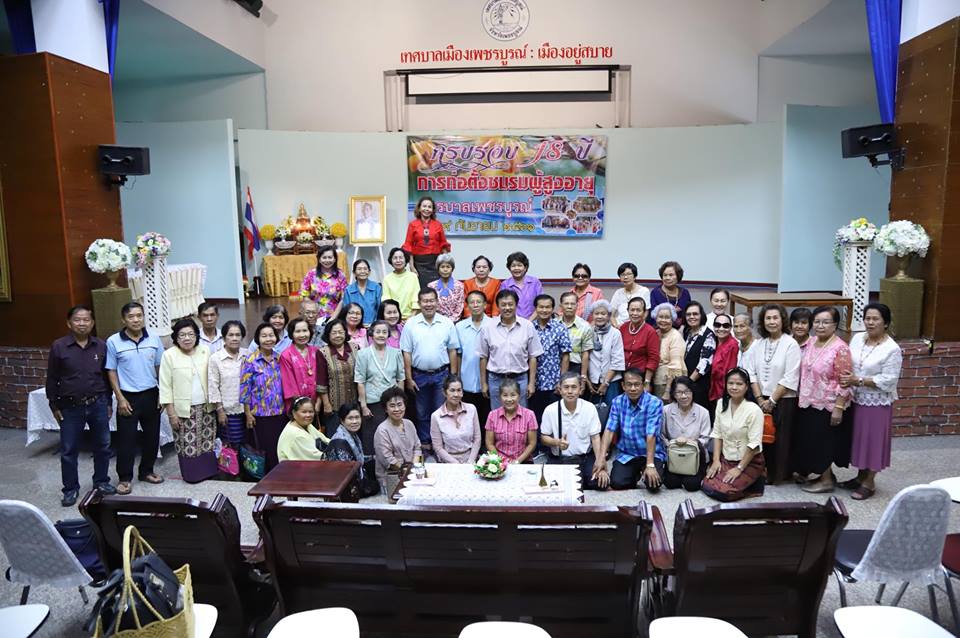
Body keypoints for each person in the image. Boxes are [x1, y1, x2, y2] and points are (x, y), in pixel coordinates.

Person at [46, 305, 115, 506]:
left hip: (98, 403)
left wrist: (108, 402)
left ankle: (101, 482)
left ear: (92, 323)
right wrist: (54, 405)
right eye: (77, 320)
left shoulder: (101, 346)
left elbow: (106, 377)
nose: (82, 323)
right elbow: (52, 378)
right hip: (70, 407)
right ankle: (70, 489)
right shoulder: (59, 346)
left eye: (86, 320)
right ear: (69, 323)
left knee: (103, 446)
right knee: (68, 450)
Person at [839, 303, 902, 500]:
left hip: (877, 402)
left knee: (874, 441)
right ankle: (860, 477)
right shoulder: (858, 338)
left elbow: (889, 380)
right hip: (856, 398)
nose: (870, 322)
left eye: (876, 319)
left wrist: (858, 380)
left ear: (886, 323)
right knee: (861, 439)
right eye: (867, 318)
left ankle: (869, 482)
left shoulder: (892, 349)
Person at [105, 302, 164, 495]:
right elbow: (111, 371)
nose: (136, 320)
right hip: (128, 397)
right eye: (131, 316)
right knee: (126, 440)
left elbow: (160, 367)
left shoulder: (154, 339)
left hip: (151, 394)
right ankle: (124, 478)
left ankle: (147, 471)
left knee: (152, 437)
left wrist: (162, 394)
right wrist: (120, 398)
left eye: (139, 315)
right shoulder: (114, 341)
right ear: (124, 320)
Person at [794, 306, 853, 493]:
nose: (820, 326)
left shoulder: (841, 348)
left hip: (828, 403)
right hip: (808, 400)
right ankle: (824, 476)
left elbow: (845, 381)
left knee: (823, 443)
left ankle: (826, 481)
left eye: (826, 322)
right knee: (812, 440)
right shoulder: (811, 342)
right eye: (817, 322)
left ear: (835, 325)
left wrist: (839, 407)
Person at [746, 304, 801, 485]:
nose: (772, 322)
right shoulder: (759, 344)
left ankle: (779, 474)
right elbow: (751, 372)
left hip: (783, 399)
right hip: (760, 399)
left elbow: (790, 376)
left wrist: (771, 400)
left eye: (775, 318)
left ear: (782, 320)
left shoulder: (790, 344)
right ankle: (762, 471)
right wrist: (759, 398)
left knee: (781, 439)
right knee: (761, 437)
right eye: (768, 318)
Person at [400, 287, 461, 449]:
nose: (428, 304)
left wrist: (453, 377)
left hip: (442, 375)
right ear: (419, 303)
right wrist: (409, 378)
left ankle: (440, 445)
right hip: (419, 375)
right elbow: (406, 353)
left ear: (437, 302)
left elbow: (452, 350)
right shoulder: (411, 324)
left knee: (441, 411)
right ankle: (425, 443)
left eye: (431, 301)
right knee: (422, 412)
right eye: (425, 301)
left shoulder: (446, 323)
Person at [159, 319, 217, 483]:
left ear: (196, 335)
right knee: (187, 444)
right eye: (182, 335)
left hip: (206, 407)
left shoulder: (205, 350)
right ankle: (192, 475)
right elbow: (165, 386)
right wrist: (171, 414)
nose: (187, 338)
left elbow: (213, 377)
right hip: (183, 409)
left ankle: (208, 472)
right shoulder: (169, 355)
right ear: (176, 338)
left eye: (191, 334)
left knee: (207, 441)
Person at [702, 368, 766, 501]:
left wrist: (739, 468)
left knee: (724, 493)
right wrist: (716, 461)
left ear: (746, 386)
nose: (734, 387)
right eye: (730, 383)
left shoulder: (754, 410)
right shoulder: (721, 403)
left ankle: (756, 482)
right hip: (727, 458)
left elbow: (754, 444)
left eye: (739, 384)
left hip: (749, 461)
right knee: (706, 485)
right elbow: (717, 434)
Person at [598, 367, 665, 491]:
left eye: (637, 384)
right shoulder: (617, 402)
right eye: (629, 384)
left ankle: (647, 469)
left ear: (643, 385)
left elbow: (651, 434)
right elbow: (609, 430)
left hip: (650, 453)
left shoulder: (654, 403)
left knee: (653, 484)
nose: (633, 388)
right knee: (617, 483)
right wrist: (601, 458)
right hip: (628, 453)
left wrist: (650, 465)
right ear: (623, 386)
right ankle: (635, 474)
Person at [478, 289, 544, 409]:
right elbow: (483, 357)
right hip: (495, 380)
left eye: (510, 304)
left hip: (520, 379)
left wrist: (531, 383)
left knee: (520, 415)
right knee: (497, 416)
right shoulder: (488, 327)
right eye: (503, 305)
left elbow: (533, 356)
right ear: (498, 306)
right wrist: (483, 383)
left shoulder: (527, 326)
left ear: (516, 305)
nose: (507, 308)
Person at [540, 372, 607, 490]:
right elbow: (543, 437)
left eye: (574, 387)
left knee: (600, 483)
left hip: (584, 457)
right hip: (560, 458)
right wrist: (556, 442)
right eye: (566, 387)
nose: (570, 391)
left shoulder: (589, 408)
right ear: (560, 390)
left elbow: (595, 437)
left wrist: (600, 461)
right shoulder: (550, 410)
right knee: (553, 486)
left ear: (580, 390)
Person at [239, 323, 286, 471]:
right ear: (258, 339)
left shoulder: (280, 358)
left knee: (279, 448)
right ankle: (266, 477)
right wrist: (248, 414)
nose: (268, 339)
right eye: (264, 336)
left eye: (271, 335)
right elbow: (245, 389)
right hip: (259, 414)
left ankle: (279, 475)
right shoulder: (250, 360)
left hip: (280, 412)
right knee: (264, 450)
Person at [354, 320, 405, 453]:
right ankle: (372, 464)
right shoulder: (363, 354)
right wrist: (363, 406)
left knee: (394, 435)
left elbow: (401, 378)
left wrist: (400, 402)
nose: (381, 335)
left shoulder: (396, 353)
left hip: (392, 401)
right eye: (378, 332)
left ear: (388, 334)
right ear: (371, 334)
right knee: (373, 437)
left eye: (384, 332)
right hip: (373, 402)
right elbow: (360, 381)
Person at [661, 376, 711, 491]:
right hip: (674, 456)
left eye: (687, 392)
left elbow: (706, 438)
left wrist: (690, 442)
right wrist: (672, 443)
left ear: (692, 392)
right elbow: (662, 435)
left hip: (695, 456)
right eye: (679, 392)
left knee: (692, 485)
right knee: (670, 482)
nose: (684, 396)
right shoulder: (666, 410)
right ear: (674, 394)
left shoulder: (703, 412)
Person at [530, 294, 572, 427]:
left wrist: (562, 381)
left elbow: (566, 356)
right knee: (534, 419)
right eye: (541, 307)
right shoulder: (529, 328)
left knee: (553, 419)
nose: (544, 310)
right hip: (533, 383)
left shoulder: (560, 328)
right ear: (536, 308)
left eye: (547, 307)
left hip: (553, 383)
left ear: (553, 309)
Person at [456, 291, 494, 429]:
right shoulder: (460, 327)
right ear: (467, 306)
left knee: (487, 417)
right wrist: (458, 377)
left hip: (489, 380)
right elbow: (458, 354)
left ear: (485, 305)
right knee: (468, 418)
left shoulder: (493, 325)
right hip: (467, 379)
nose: (475, 305)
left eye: (479, 302)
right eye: (472, 302)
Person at [325, 402, 379, 498]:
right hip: (342, 485)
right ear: (342, 421)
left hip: (355, 475)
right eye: (350, 418)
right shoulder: (339, 441)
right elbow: (346, 471)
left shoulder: (352, 435)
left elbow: (359, 458)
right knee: (375, 486)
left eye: (357, 417)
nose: (355, 421)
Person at [316, 318, 360, 433]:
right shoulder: (323, 352)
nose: (338, 335)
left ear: (345, 333)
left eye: (340, 332)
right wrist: (326, 404)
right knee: (336, 435)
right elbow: (321, 382)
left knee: (355, 434)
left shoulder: (355, 348)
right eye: (334, 332)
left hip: (354, 403)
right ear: (328, 335)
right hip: (334, 406)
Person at [208, 320, 247, 448]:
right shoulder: (216, 358)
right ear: (224, 337)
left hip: (248, 410)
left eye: (238, 335)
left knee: (249, 446)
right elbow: (213, 386)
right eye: (231, 335)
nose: (234, 338)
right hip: (228, 411)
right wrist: (220, 411)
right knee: (232, 447)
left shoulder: (247, 355)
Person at [374, 386, 422, 488]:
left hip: (412, 472)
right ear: (386, 409)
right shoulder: (382, 430)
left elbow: (417, 448)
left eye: (400, 405)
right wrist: (406, 471)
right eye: (392, 406)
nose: (397, 409)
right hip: (392, 477)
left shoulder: (409, 424)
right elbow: (387, 459)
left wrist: (414, 468)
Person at [430, 374, 482, 463]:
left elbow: (477, 439)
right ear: (444, 392)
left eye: (459, 390)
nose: (456, 394)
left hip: (470, 459)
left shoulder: (471, 409)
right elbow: (437, 447)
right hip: (448, 462)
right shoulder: (436, 416)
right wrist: (456, 464)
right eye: (452, 390)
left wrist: (470, 461)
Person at [484, 378, 538, 464]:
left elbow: (532, 443)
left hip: (523, 461)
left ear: (519, 396)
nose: (509, 399)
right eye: (505, 395)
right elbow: (489, 443)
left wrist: (517, 461)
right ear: (500, 397)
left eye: (513, 395)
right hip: (498, 461)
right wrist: (500, 461)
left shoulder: (529, 415)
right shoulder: (492, 415)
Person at [402, 195, 451, 288]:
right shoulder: (412, 225)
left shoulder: (438, 224)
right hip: (419, 264)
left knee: (436, 290)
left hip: (435, 263)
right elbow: (408, 246)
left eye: (429, 207)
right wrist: (412, 267)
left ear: (432, 210)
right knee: (421, 290)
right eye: (424, 206)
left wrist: (445, 264)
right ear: (419, 208)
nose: (427, 209)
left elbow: (443, 245)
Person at [585, 299, 625, 405]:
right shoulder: (588, 331)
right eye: (596, 313)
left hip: (611, 381)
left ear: (608, 316)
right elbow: (585, 357)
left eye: (603, 314)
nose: (599, 316)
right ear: (592, 315)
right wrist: (587, 381)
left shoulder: (615, 333)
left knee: (611, 409)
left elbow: (617, 360)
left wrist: (605, 383)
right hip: (592, 381)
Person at [279, 317, 319, 413]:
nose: (302, 335)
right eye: (297, 331)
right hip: (298, 406)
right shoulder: (286, 355)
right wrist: (303, 407)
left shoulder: (316, 351)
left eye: (305, 330)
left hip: (317, 403)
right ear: (291, 334)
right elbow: (289, 384)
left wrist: (319, 402)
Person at [298, 245, 348, 321]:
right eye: (324, 257)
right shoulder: (311, 274)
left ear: (335, 259)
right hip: (314, 316)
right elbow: (304, 294)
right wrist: (312, 311)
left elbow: (343, 299)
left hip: (334, 315)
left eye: (330, 257)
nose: (327, 260)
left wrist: (333, 317)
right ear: (319, 259)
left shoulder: (340, 275)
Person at [619, 297, 659, 391]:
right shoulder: (623, 328)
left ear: (644, 313)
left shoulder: (650, 331)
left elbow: (653, 358)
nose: (635, 313)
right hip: (623, 376)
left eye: (638, 310)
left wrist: (647, 382)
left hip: (641, 378)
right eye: (632, 310)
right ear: (628, 311)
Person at [682, 301, 715, 411]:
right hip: (686, 383)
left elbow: (704, 364)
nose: (692, 317)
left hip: (698, 385)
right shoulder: (687, 331)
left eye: (695, 314)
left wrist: (688, 384)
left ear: (701, 316)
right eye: (688, 314)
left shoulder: (709, 335)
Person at [652, 303, 686, 401]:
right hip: (654, 380)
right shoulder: (655, 333)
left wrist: (667, 390)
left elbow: (676, 366)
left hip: (666, 383)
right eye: (660, 317)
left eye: (667, 317)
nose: (663, 320)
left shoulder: (675, 336)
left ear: (672, 319)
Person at [277, 396, 329, 461]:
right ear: (294, 413)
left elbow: (325, 440)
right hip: (296, 467)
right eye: (304, 412)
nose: (308, 415)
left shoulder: (307, 425)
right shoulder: (295, 435)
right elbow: (316, 457)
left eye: (311, 412)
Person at [559, 291, 594, 380]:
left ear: (577, 305)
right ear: (561, 306)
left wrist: (583, 376)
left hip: (575, 366)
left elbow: (585, 353)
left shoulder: (585, 326)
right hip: (556, 365)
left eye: (572, 304)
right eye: (566, 304)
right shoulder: (554, 324)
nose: (569, 306)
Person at [708, 313, 739, 415]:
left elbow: (729, 373)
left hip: (723, 392)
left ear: (730, 328)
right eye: (717, 325)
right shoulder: (713, 341)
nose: (721, 328)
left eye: (725, 326)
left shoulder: (732, 345)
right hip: (713, 390)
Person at [498, 251, 543, 319]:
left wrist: (529, 322)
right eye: (513, 266)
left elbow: (541, 304)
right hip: (512, 321)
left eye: (519, 265)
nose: (516, 268)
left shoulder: (535, 282)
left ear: (525, 267)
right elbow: (503, 306)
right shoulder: (505, 285)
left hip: (533, 321)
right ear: (509, 268)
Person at [648, 261, 691, 329]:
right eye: (665, 275)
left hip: (682, 329)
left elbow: (688, 314)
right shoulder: (655, 293)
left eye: (671, 275)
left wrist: (682, 328)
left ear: (678, 276)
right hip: (660, 329)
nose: (667, 278)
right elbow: (653, 317)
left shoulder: (685, 293)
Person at [382, 247, 421, 320]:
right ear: (391, 260)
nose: (398, 260)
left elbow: (416, 298)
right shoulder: (387, 279)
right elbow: (386, 300)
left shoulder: (413, 277)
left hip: (412, 317)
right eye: (395, 258)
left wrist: (411, 317)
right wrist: (395, 317)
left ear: (405, 259)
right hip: (393, 318)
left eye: (401, 257)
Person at [342, 259, 382, 327]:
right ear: (354, 272)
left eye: (365, 269)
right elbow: (346, 312)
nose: (362, 271)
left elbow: (379, 309)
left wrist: (374, 325)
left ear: (369, 272)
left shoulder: (377, 287)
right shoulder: (348, 290)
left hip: (374, 327)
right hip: (354, 326)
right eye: (359, 269)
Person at [609, 262, 650, 328]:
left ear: (635, 276)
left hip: (637, 326)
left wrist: (636, 327)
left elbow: (646, 313)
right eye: (622, 275)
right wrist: (616, 326)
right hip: (620, 327)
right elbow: (611, 314)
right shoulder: (618, 293)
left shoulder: (644, 291)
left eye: (629, 274)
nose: (625, 277)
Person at [428, 253, 465, 321]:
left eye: (448, 267)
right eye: (442, 267)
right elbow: (430, 306)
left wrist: (449, 322)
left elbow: (459, 307)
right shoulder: (431, 286)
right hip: (436, 321)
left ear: (452, 269)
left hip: (454, 322)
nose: (445, 270)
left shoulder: (460, 286)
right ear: (438, 269)